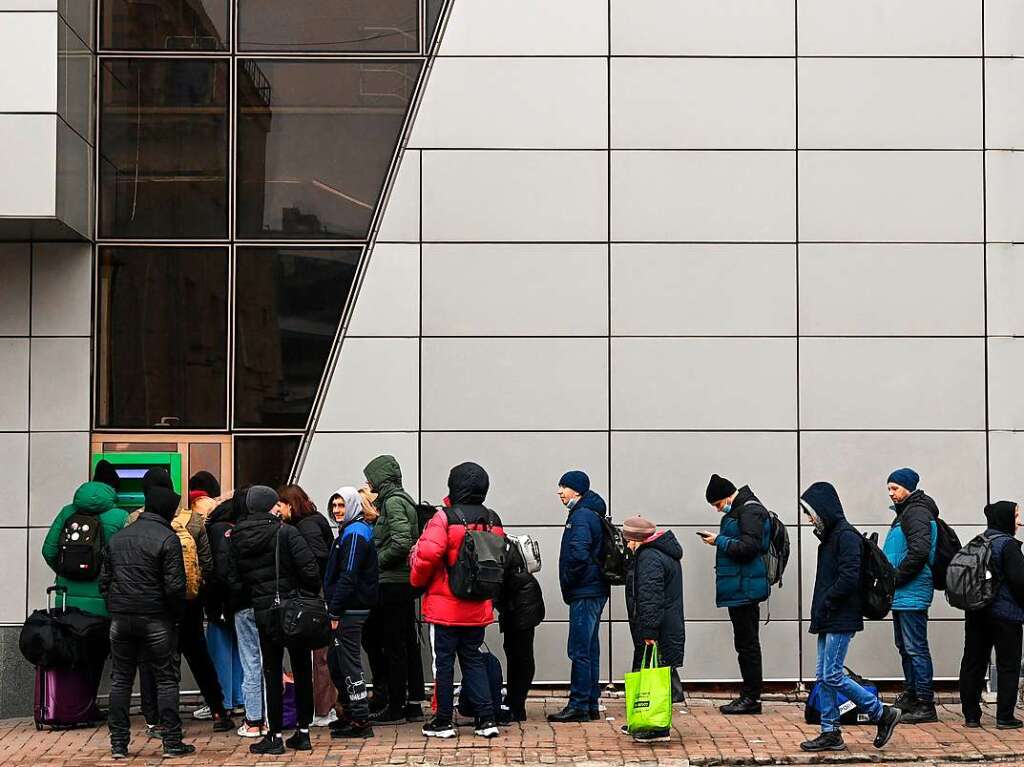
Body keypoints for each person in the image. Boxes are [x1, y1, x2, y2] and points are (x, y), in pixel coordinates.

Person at [799, 482, 901, 753]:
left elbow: (849, 578)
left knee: (832, 674)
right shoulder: (833, 537)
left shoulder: (846, 536)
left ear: (823, 511)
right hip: (829, 616)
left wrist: (828, 602)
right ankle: (830, 732)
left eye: (811, 514)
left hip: (840, 617)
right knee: (823, 677)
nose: (810, 520)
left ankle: (881, 713)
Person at [132, 469, 233, 735]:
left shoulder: (133, 520)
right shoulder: (195, 520)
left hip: (152, 605)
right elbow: (207, 565)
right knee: (199, 657)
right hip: (188, 602)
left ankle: (157, 718)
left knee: (155, 661)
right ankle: (218, 710)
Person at [99, 483, 194, 759]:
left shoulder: (119, 538)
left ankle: (119, 744)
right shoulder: (167, 538)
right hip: (156, 618)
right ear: (167, 509)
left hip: (121, 618)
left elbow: (105, 582)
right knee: (166, 679)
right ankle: (172, 742)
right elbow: (176, 587)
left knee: (121, 680)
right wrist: (175, 616)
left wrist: (115, 606)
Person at [409, 462, 502, 739]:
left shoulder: (444, 518)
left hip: (445, 606)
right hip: (477, 605)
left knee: (445, 663)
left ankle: (442, 721)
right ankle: (486, 720)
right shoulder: (492, 519)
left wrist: (415, 581)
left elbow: (426, 556)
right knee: (472, 659)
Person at [230, 485, 322, 755]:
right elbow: (310, 571)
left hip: (263, 611)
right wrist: (302, 593)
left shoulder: (238, 536)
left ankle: (274, 734)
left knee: (271, 671)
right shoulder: (287, 532)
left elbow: (234, 579)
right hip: (293, 609)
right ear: (271, 505)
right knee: (302, 668)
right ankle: (303, 732)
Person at [41, 477, 129, 716]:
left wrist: (65, 572)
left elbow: (48, 550)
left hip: (67, 598)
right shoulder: (119, 517)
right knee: (97, 652)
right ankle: (87, 705)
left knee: (71, 652)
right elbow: (123, 558)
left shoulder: (67, 512)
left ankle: (68, 703)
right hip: (101, 600)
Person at [699, 474, 769, 715]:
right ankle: (749, 696)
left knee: (747, 644)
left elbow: (750, 548)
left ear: (728, 496)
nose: (719, 510)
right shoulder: (741, 511)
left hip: (745, 588)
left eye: (719, 505)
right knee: (745, 643)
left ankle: (751, 698)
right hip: (741, 587)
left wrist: (720, 541)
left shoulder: (749, 511)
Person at [361, 455, 424, 723]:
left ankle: (396, 707)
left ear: (380, 478)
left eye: (370, 478)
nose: (368, 483)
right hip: (400, 584)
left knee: (395, 645)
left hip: (393, 585)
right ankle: (411, 704)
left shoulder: (394, 502)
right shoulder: (397, 499)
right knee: (405, 643)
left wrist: (376, 563)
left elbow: (400, 542)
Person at [549, 470, 609, 723]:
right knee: (590, 648)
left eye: (564, 487)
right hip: (594, 589)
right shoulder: (591, 512)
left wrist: (570, 580)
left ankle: (579, 704)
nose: (559, 492)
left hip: (584, 590)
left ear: (578, 490)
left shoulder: (582, 516)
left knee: (579, 649)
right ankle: (590, 702)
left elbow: (579, 554)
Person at [958, 501, 1024, 729]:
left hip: (976, 611)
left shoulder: (978, 542)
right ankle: (1005, 716)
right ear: (1006, 518)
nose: (1019, 521)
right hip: (1005, 615)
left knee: (973, 661)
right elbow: (1019, 582)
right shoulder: (1007, 545)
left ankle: (971, 716)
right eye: (1016, 516)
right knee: (1008, 664)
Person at [882, 467, 939, 724]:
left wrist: (895, 578)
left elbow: (919, 552)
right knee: (905, 646)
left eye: (894, 488)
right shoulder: (907, 512)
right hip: (904, 592)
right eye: (889, 489)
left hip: (911, 590)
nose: (891, 493)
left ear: (908, 487)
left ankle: (925, 704)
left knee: (915, 648)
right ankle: (913, 695)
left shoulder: (915, 512)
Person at [278, 484, 338, 727]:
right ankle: (323, 708)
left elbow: (317, 558)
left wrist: (308, 588)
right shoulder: (311, 522)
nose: (278, 510)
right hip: (318, 595)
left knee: (319, 657)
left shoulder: (306, 526)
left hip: (315, 597)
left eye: (281, 505)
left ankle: (323, 710)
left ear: (290, 505)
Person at [622, 514, 685, 744]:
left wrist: (648, 631)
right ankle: (646, 720)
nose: (627, 545)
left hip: (656, 628)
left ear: (638, 539)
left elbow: (650, 597)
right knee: (656, 673)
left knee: (654, 677)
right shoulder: (661, 553)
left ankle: (656, 726)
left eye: (629, 540)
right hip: (664, 625)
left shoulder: (649, 557)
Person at [323, 486, 379, 739]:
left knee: (348, 663)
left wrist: (334, 611)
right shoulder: (349, 530)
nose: (336, 510)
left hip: (350, 609)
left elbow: (348, 574)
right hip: (348, 607)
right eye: (334, 506)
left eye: (341, 505)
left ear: (353, 506)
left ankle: (360, 719)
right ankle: (350, 713)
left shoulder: (354, 533)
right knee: (338, 661)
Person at [203, 489, 246, 725]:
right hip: (236, 599)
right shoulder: (235, 528)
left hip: (220, 599)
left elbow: (218, 568)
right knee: (239, 649)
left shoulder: (217, 529)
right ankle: (238, 698)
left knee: (220, 649)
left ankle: (225, 701)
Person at [495, 532, 545, 724]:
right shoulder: (501, 543)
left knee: (520, 655)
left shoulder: (496, 547)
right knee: (516, 653)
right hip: (521, 601)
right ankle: (514, 702)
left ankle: (516, 705)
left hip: (522, 604)